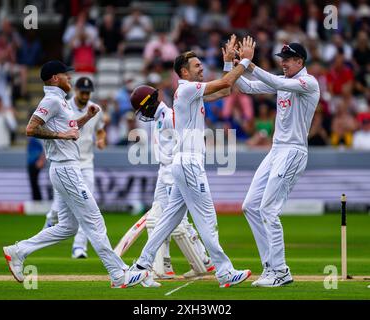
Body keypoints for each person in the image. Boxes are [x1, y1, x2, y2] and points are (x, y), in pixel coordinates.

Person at [2, 60, 147, 288]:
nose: (70, 78)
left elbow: (69, 128)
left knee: (68, 227)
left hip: (66, 169)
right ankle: (119, 275)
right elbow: (30, 128)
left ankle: (18, 251)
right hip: (66, 168)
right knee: (95, 221)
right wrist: (62, 136)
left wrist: (86, 118)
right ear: (54, 79)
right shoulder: (51, 100)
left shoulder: (60, 101)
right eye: (66, 75)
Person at [128, 35, 254, 288]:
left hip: (184, 164)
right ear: (184, 72)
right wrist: (246, 61)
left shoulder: (192, 93)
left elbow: (227, 89)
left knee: (168, 221)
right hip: (188, 164)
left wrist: (229, 62)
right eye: (197, 66)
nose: (202, 68)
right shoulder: (186, 89)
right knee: (207, 218)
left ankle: (140, 266)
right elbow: (228, 82)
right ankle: (225, 271)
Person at [235, 42, 320, 287]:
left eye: (288, 59)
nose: (283, 63)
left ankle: (281, 272)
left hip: (293, 151)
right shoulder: (282, 80)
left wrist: (248, 63)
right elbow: (247, 87)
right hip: (275, 150)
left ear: (300, 62)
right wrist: (231, 63)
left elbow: (279, 83)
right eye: (282, 58)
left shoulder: (308, 83)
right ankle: (270, 267)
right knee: (250, 206)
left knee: (269, 210)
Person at [130, 85, 215, 281]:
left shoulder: (169, 116)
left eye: (143, 109)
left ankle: (204, 261)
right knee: (156, 218)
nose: (142, 114)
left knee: (178, 222)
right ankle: (164, 266)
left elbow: (188, 139)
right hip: (163, 171)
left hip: (172, 171)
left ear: (149, 103)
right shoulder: (158, 118)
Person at [43, 77, 106, 259]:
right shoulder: (64, 106)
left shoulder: (95, 109)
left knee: (87, 207)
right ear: (76, 90)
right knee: (58, 208)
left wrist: (101, 139)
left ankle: (79, 247)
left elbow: (100, 129)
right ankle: (51, 218)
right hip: (66, 164)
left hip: (86, 164)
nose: (85, 96)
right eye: (82, 92)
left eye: (88, 93)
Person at [27, 134, 45, 201]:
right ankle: (36, 199)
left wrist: (41, 160)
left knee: (35, 182)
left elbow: (44, 149)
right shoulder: (31, 136)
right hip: (30, 161)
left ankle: (38, 200)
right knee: (33, 182)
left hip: (36, 161)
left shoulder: (39, 137)